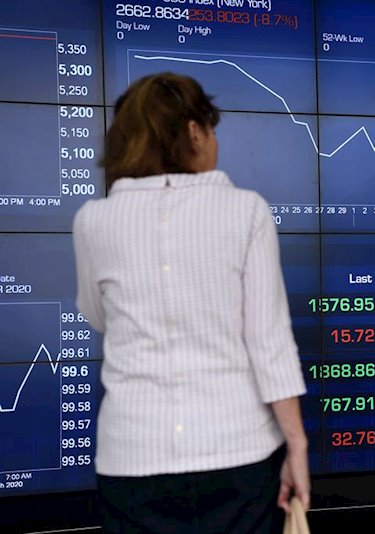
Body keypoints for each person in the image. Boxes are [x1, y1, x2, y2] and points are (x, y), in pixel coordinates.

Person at [72, 72, 310, 533]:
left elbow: (97, 316)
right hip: (238, 456)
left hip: (132, 460)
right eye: (211, 128)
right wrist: (296, 446)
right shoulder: (247, 212)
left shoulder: (92, 221)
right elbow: (269, 345)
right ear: (194, 131)